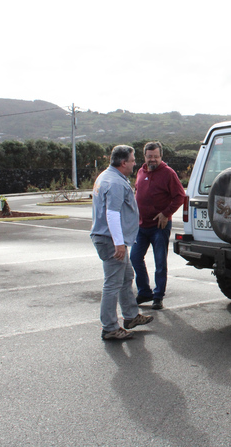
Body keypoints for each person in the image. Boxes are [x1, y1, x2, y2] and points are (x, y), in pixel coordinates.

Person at [91, 145, 153, 341]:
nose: (135, 163)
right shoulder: (115, 183)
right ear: (123, 162)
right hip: (111, 241)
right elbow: (112, 213)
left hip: (111, 239)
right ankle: (109, 327)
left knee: (127, 276)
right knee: (113, 283)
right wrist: (119, 243)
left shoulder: (107, 176)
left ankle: (131, 316)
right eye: (133, 160)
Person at [131, 141, 186, 309]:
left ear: (161, 156)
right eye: (149, 157)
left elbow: (180, 196)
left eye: (155, 156)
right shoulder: (141, 171)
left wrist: (166, 213)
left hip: (159, 227)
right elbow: (137, 191)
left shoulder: (168, 173)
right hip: (141, 226)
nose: (152, 160)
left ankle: (158, 296)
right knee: (134, 257)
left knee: (160, 262)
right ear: (145, 157)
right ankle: (144, 292)